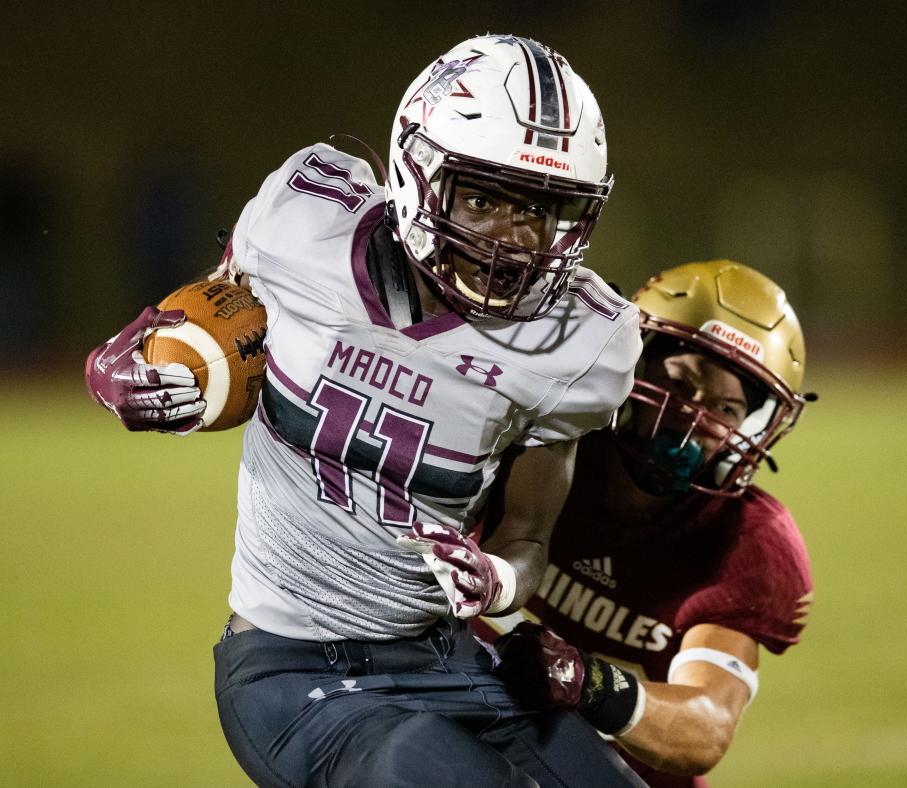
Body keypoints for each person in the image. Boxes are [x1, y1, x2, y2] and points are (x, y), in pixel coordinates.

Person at [84, 35, 646, 787]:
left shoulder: (579, 346)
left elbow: (527, 538)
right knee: (431, 770)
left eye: (542, 211)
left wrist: (496, 582)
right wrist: (129, 364)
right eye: (483, 198)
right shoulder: (304, 225)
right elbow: (216, 313)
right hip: (287, 664)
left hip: (443, 655)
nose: (513, 242)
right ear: (418, 173)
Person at [479, 260, 815, 788]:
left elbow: (705, 728)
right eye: (680, 383)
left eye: (726, 407)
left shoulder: (748, 541)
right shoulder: (543, 437)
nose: (694, 417)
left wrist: (589, 683)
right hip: (462, 727)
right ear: (635, 362)